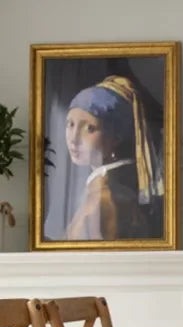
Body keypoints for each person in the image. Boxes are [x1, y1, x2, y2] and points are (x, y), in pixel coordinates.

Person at [64, 75, 163, 240]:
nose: (74, 138)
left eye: (89, 128)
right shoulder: (103, 187)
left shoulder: (106, 196)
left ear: (116, 137)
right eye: (70, 124)